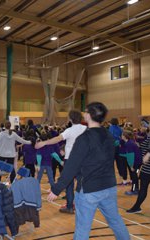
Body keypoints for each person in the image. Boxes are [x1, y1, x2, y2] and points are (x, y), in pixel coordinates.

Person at [48, 102, 130, 240]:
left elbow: (71, 166)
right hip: (109, 187)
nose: (84, 113)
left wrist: (57, 188)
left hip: (89, 190)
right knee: (116, 221)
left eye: (85, 111)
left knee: (82, 228)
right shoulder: (109, 136)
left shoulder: (84, 138)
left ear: (89, 115)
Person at [36, 109, 86, 214]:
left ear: (71, 119)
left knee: (69, 184)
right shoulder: (86, 129)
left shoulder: (70, 130)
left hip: (70, 160)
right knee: (81, 183)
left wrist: (44, 143)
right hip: (83, 160)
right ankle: (80, 205)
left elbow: (58, 139)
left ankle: (69, 206)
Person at [127, 117, 150, 214]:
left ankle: (136, 207)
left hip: (149, 168)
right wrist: (136, 144)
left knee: (143, 188)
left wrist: (147, 156)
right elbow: (148, 146)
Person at [121, 130, 142, 195]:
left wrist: (131, 166)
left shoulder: (128, 144)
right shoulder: (130, 142)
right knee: (135, 175)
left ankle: (134, 190)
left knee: (134, 176)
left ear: (125, 136)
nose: (121, 136)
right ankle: (136, 189)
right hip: (139, 163)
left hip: (136, 163)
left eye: (122, 135)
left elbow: (130, 156)